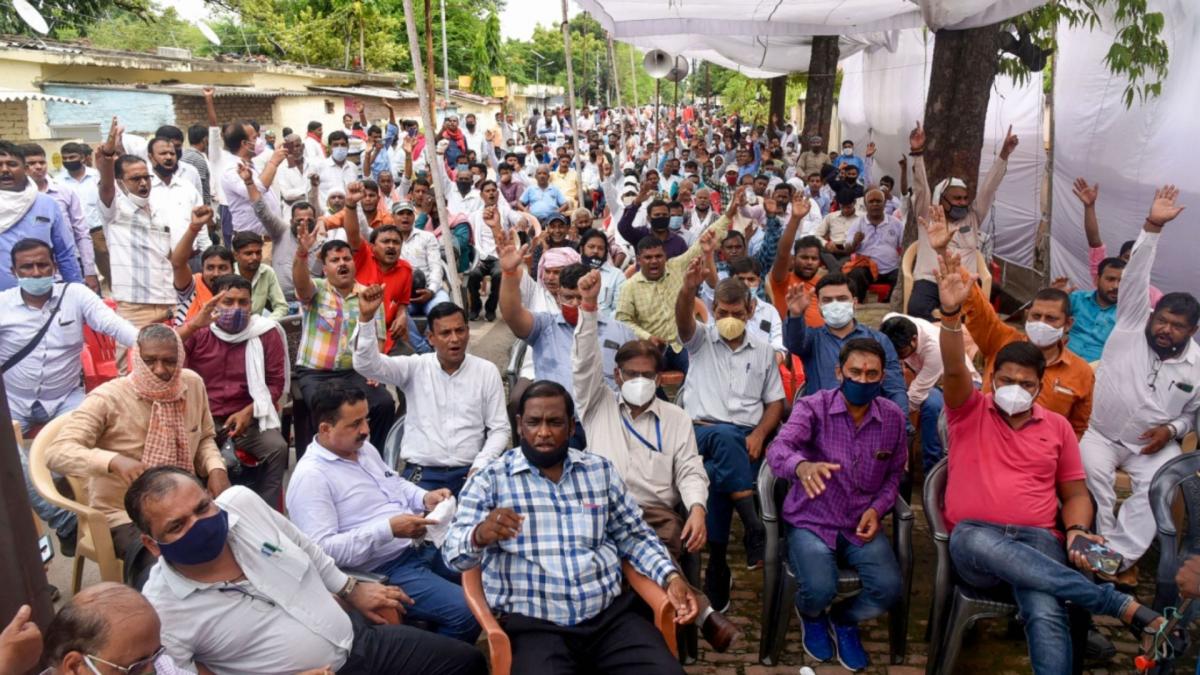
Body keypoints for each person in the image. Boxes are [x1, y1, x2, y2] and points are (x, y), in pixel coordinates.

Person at [933, 249, 1164, 674]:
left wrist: (1076, 530)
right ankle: (1121, 607)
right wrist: (950, 315)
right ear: (992, 379)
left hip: (1038, 539)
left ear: (1040, 387)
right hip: (976, 543)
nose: (1014, 389)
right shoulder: (969, 409)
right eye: (1005, 381)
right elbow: (951, 369)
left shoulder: (1056, 428)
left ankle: (1115, 611)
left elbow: (1075, 493)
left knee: (1045, 610)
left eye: (1025, 383)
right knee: (977, 538)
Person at [443, 381, 697, 675]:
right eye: (534, 422)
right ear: (519, 426)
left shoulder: (599, 471)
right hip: (535, 626)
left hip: (609, 619)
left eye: (555, 422)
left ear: (572, 427)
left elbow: (636, 537)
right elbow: (453, 555)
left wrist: (671, 577)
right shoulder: (490, 481)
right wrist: (479, 535)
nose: (544, 432)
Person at [132, 468, 487, 675]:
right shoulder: (162, 611)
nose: (200, 525)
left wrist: (350, 588)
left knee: (466, 664)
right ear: (151, 543)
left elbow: (305, 547)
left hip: (360, 641)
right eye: (178, 526)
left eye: (203, 508)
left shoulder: (241, 504)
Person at [571, 270, 738, 651]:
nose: (639, 380)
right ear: (617, 375)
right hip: (599, 511)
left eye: (647, 375)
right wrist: (588, 308)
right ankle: (700, 612)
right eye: (631, 374)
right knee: (603, 558)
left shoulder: (676, 419)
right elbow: (582, 366)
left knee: (651, 548)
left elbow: (691, 469)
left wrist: (696, 508)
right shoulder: (597, 406)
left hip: (655, 515)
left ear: (661, 378)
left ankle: (648, 639)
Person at [285, 381, 479, 643]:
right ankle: (435, 658)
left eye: (365, 419)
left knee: (489, 574)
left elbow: (394, 482)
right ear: (325, 429)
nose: (365, 429)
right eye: (355, 424)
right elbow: (322, 551)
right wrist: (388, 530)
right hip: (384, 569)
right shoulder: (311, 478)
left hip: (419, 546)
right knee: (466, 612)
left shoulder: (362, 449)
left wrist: (424, 497)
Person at [45, 324, 231, 585]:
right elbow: (57, 451)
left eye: (169, 361)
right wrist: (112, 461)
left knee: (233, 540)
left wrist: (215, 468)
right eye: (150, 361)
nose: (160, 370)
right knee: (160, 570)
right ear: (135, 358)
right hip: (124, 513)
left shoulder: (191, 383)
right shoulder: (108, 398)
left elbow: (204, 438)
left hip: (185, 501)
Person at [1080, 186, 1199, 577]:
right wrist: (1152, 227)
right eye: (1161, 320)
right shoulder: (1132, 321)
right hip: (1100, 434)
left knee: (1162, 484)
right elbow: (1135, 279)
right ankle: (1096, 549)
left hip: (1149, 445)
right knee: (1092, 480)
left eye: (1176, 327)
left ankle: (1116, 559)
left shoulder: (1196, 365)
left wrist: (1171, 429)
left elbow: (1191, 417)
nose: (1164, 330)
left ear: (1192, 331)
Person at [766, 338, 906, 671]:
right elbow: (778, 450)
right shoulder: (813, 407)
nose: (863, 379)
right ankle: (811, 615)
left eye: (872, 373)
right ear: (839, 371)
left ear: (883, 376)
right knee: (818, 588)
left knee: (888, 589)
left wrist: (879, 507)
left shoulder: (893, 418)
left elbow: (894, 475)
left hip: (860, 522)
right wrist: (801, 466)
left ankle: (844, 619)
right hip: (812, 520)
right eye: (855, 371)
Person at [3, 238, 138, 556]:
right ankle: (67, 524)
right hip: (14, 401)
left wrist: (151, 345)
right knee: (10, 458)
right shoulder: (2, 305)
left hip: (65, 397)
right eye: (27, 267)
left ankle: (112, 517)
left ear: (54, 267)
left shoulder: (75, 295)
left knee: (86, 446)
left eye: (42, 266)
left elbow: (114, 325)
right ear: (14, 271)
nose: (36, 273)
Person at [675, 264, 785, 611]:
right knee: (723, 436)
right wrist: (686, 291)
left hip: (744, 441)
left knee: (717, 481)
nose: (728, 319)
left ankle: (718, 563)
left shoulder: (765, 351)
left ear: (750, 311)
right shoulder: (701, 340)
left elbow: (775, 403)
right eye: (722, 313)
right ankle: (754, 524)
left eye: (736, 313)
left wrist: (761, 432)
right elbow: (682, 323)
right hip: (699, 431)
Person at [353, 296, 508, 495]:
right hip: (422, 476)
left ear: (468, 332)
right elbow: (366, 365)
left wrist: (480, 465)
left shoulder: (487, 371)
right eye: (445, 333)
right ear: (430, 338)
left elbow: (500, 429)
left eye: (460, 330)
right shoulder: (415, 367)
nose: (455, 339)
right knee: (414, 524)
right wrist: (366, 320)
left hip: (471, 474)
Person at [178, 274, 288, 510]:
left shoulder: (266, 332)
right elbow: (165, 355)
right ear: (214, 303)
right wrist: (194, 325)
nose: (236, 308)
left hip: (248, 418)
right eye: (228, 302)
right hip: (202, 418)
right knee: (182, 458)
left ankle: (268, 515)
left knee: (277, 448)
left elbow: (276, 383)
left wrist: (249, 411)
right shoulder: (199, 332)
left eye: (243, 302)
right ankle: (201, 515)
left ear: (252, 304)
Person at [292, 222, 395, 453]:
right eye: (335, 260)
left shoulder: (368, 294)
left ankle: (372, 459)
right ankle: (322, 465)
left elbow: (378, 340)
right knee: (327, 408)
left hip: (355, 372)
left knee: (384, 403)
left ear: (353, 263)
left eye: (346, 259)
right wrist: (302, 252)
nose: (342, 264)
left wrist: (374, 370)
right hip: (316, 374)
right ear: (325, 268)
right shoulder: (316, 291)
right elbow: (300, 283)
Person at [95, 118, 184, 369]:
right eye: (136, 179)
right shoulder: (115, 210)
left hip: (167, 303)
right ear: (121, 182)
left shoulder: (159, 211)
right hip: (134, 308)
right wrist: (109, 154)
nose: (143, 183)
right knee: (132, 375)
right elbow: (105, 186)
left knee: (169, 369)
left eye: (146, 177)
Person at [908, 121, 1019, 320]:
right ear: (941, 200)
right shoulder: (927, 214)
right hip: (930, 281)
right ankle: (945, 318)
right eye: (956, 198)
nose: (963, 202)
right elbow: (920, 187)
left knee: (978, 317)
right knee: (917, 309)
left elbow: (989, 188)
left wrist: (1004, 155)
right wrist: (917, 153)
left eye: (965, 198)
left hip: (964, 282)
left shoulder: (973, 216)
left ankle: (945, 318)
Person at [616, 193, 733, 376]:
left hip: (681, 345)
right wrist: (648, 338)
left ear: (665, 256)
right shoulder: (629, 287)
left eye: (658, 256)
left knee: (702, 375)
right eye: (648, 258)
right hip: (651, 348)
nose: (654, 261)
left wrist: (730, 214)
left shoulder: (676, 267)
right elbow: (623, 321)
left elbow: (702, 243)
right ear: (639, 259)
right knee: (646, 382)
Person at [499, 238, 633, 397]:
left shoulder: (620, 332)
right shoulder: (545, 326)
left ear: (595, 294)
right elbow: (512, 314)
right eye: (568, 298)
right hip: (554, 416)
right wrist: (509, 274)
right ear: (560, 296)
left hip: (604, 416)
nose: (575, 303)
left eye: (580, 297)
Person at [784, 273, 908, 413]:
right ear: (819, 305)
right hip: (821, 421)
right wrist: (795, 315)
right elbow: (793, 343)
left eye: (842, 299)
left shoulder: (879, 340)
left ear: (854, 302)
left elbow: (894, 388)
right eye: (827, 300)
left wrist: (902, 424)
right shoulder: (811, 339)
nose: (835, 304)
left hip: (869, 421)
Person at [880, 313, 979, 473]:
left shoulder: (935, 349)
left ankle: (933, 469)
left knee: (931, 405)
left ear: (914, 340)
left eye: (901, 352)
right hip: (926, 380)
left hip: (959, 384)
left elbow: (916, 396)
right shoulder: (891, 321)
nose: (897, 356)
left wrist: (891, 419)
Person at [38, 582, 185, 675]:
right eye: (135, 669)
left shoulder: (159, 665)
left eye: (156, 654)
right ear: (75, 667)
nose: (152, 672)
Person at [0, 140, 82, 291]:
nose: (5, 170)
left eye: (12, 164)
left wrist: (77, 292)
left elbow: (65, 254)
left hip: (43, 297)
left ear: (25, 169)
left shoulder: (47, 205)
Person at [341, 181, 412, 354]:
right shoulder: (363, 256)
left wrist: (402, 316)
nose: (391, 246)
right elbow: (352, 233)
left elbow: (402, 302)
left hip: (387, 338)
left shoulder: (406, 269)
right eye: (385, 241)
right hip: (353, 334)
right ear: (372, 246)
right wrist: (350, 205)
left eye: (396, 242)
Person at [1069, 177, 1163, 307]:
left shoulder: (1151, 295)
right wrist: (1089, 207)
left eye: (1136, 261)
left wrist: (1156, 221)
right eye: (1126, 258)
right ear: (1099, 278)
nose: (1130, 264)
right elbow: (1094, 242)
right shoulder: (1107, 270)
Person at [21, 143, 98, 292]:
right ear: (23, 168)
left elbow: (81, 233)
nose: (38, 167)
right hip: (34, 270)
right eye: (31, 163)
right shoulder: (17, 199)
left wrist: (89, 271)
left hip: (71, 264)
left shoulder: (64, 192)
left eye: (41, 162)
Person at [843, 188, 903, 303]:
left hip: (891, 268)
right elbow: (847, 250)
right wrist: (855, 242)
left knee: (902, 277)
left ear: (884, 203)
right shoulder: (858, 223)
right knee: (856, 274)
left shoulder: (896, 223)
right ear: (865, 204)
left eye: (878, 201)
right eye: (871, 201)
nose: (875, 204)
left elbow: (905, 247)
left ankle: (889, 306)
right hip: (867, 268)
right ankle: (857, 306)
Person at [231, 231, 288, 319]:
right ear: (235, 255)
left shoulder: (267, 272)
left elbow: (281, 306)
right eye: (248, 253)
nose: (255, 257)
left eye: (258, 253)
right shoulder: (229, 274)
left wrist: (264, 325)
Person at [578, 227, 625, 317]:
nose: (596, 251)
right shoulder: (571, 271)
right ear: (582, 249)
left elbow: (620, 309)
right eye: (591, 247)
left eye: (600, 248)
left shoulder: (616, 275)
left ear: (605, 252)